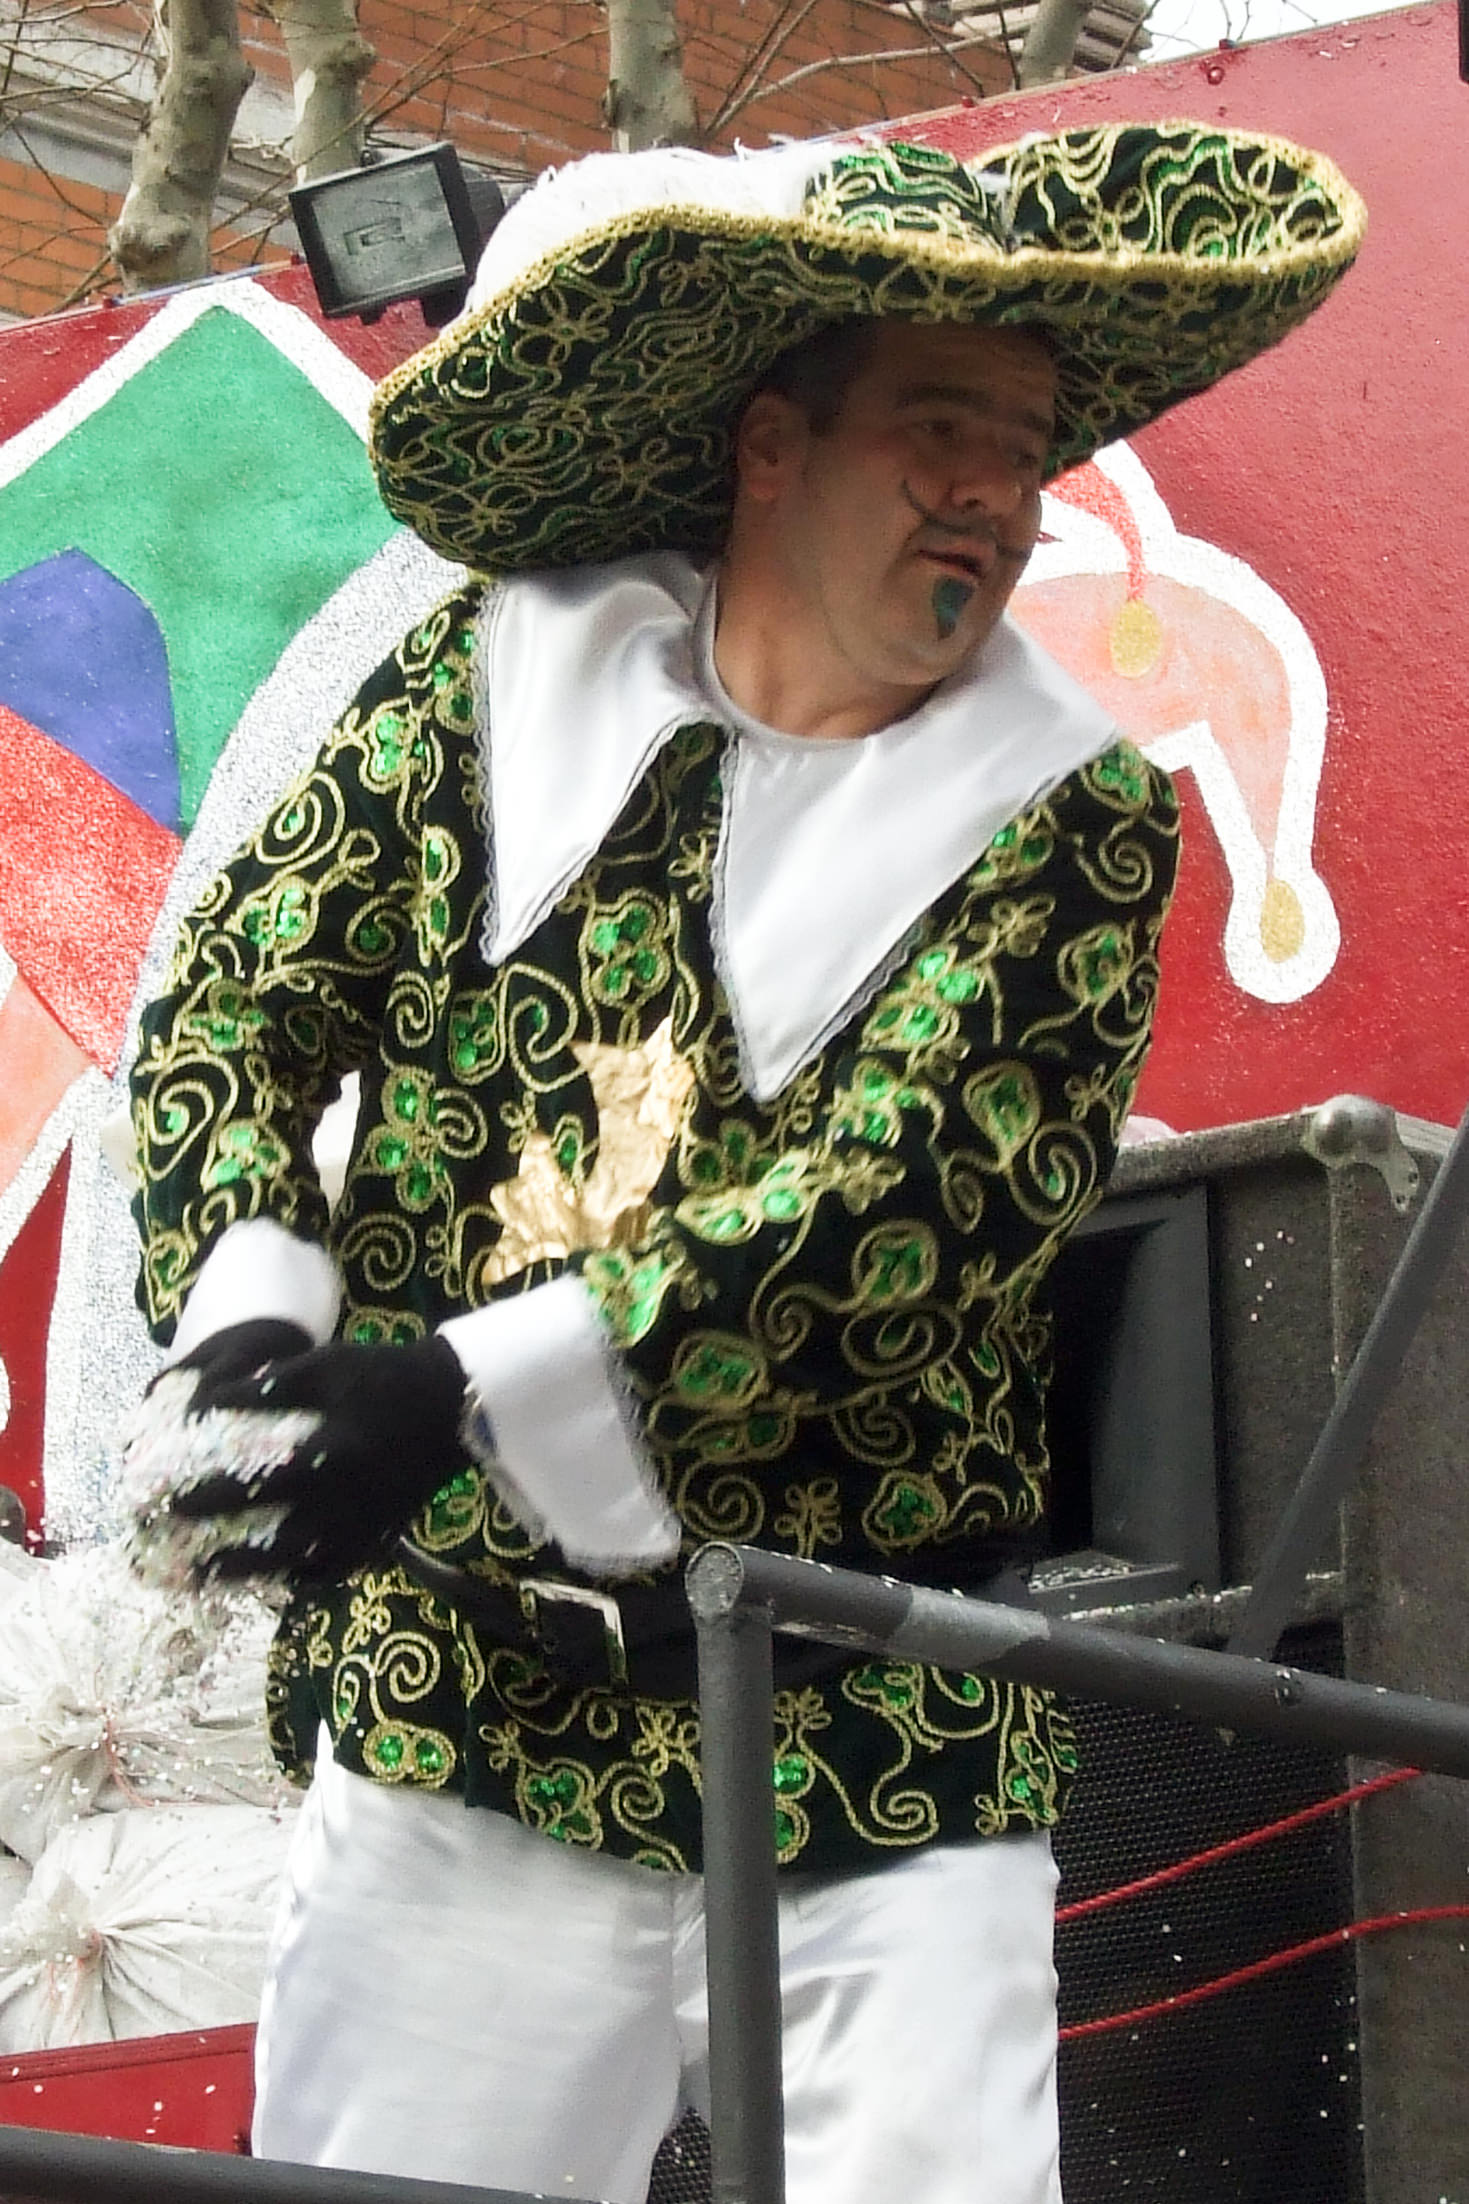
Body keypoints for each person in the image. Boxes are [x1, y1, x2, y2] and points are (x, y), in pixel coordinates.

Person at [125, 124, 1364, 2204]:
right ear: (771, 447)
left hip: (872, 1749)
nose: (992, 493)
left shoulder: (1068, 819)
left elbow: (906, 1210)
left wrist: (452, 1388)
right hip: (470, 1714)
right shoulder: (486, 685)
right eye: (939, 426)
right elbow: (240, 1005)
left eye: (1026, 451)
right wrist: (255, 1319)